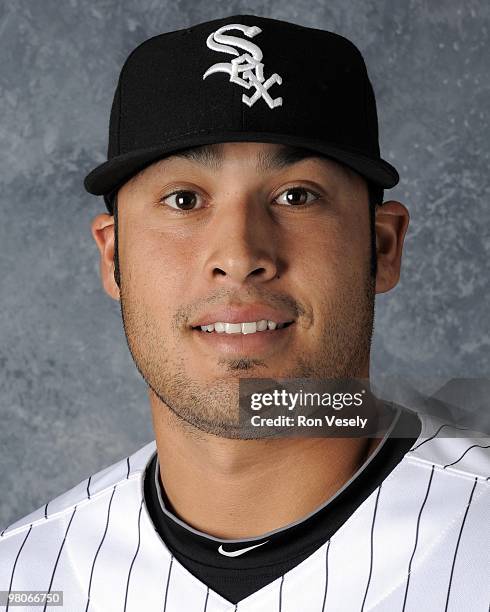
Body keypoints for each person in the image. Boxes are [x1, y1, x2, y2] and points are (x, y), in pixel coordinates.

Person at [1, 15, 488, 612]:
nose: (239, 255)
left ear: (383, 246)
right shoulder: (21, 576)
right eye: (184, 200)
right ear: (112, 256)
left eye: (296, 196)